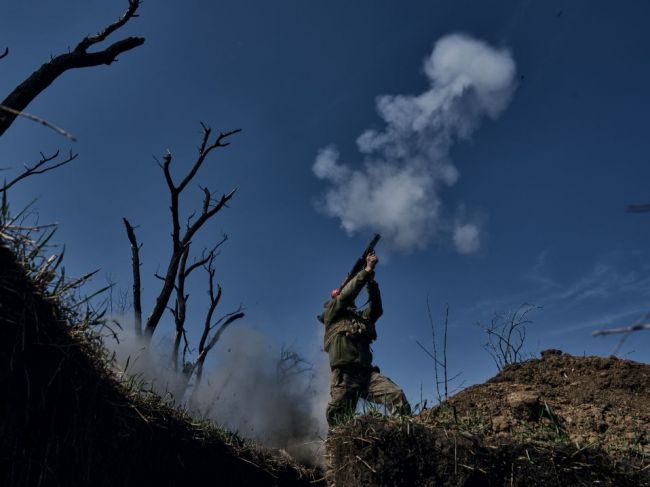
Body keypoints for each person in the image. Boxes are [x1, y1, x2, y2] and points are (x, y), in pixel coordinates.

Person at [321, 251, 411, 426]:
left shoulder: (360, 318)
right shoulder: (331, 312)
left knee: (396, 395)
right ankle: (336, 448)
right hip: (345, 375)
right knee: (339, 417)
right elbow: (346, 295)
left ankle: (405, 434)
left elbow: (376, 309)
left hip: (366, 374)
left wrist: (371, 283)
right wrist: (366, 270)